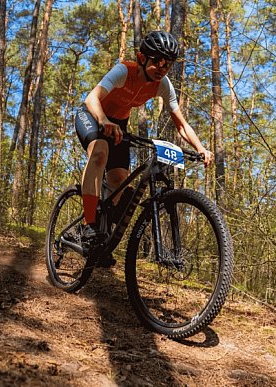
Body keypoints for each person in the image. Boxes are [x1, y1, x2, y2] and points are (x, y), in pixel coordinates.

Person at [73, 30, 214, 262]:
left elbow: (181, 124)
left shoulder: (163, 85)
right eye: (157, 60)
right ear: (141, 58)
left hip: (118, 124)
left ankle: (102, 237)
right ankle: (89, 225)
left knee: (121, 184)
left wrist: (200, 147)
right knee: (100, 152)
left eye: (167, 64)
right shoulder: (124, 71)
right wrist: (104, 121)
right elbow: (92, 98)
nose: (162, 67)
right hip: (92, 115)